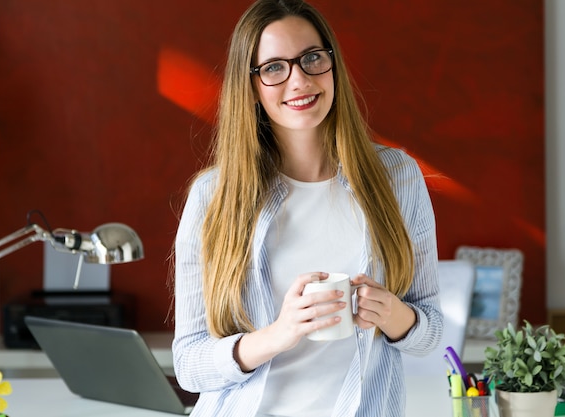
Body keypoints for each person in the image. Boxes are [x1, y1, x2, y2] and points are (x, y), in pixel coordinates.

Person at [171, 0, 442, 416]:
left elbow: (430, 333)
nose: (299, 80)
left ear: (332, 65)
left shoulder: (397, 178)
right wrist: (281, 333)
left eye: (312, 58)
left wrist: (392, 314)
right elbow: (188, 366)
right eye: (274, 67)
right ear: (252, 86)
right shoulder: (214, 196)